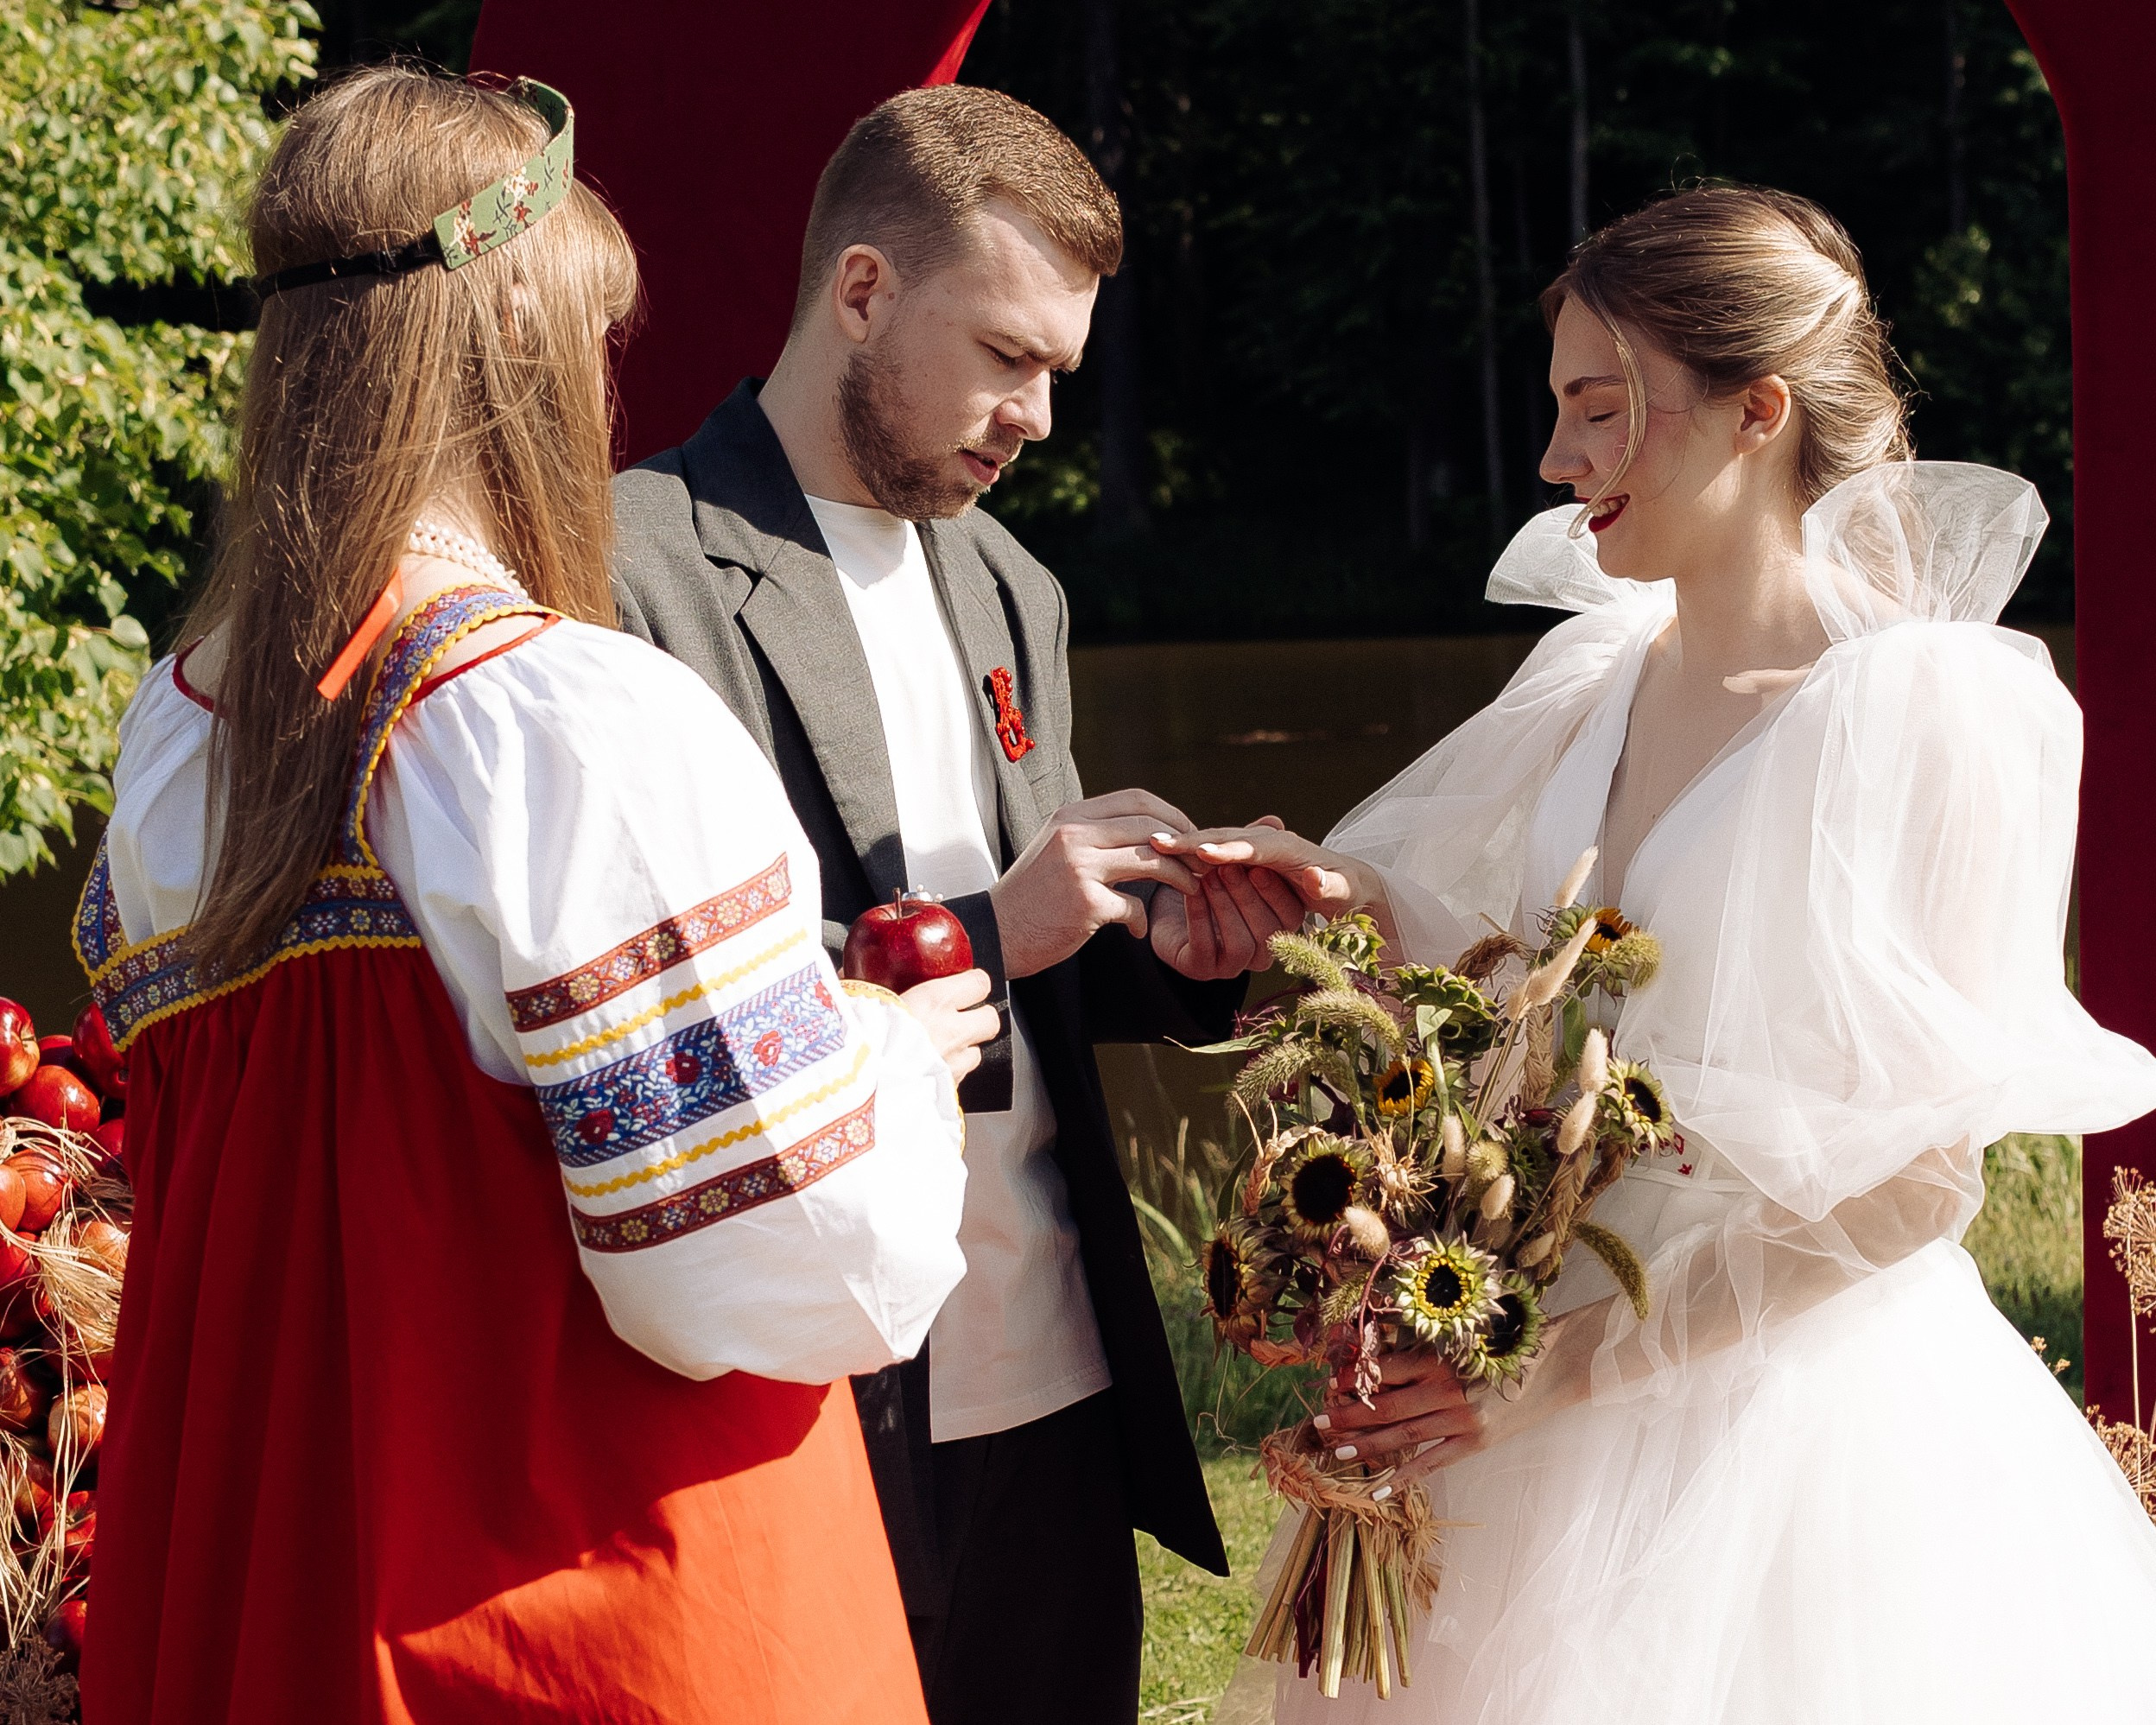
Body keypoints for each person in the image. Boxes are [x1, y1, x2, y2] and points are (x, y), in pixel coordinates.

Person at [1159, 187, 2156, 1722]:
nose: (1557, 462)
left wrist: (1558, 1370)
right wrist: (1325, 898)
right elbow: (1495, 970)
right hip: (1510, 1364)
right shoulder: (1595, 669)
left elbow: (1922, 1178)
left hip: (1790, 1431)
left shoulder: (1931, 709)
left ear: (1757, 411)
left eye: (1598, 410)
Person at [75, 67, 996, 1724]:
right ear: (515, 328)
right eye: (589, 333)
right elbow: (772, 1255)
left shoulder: (178, 741)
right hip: (589, 1624)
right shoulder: (561, 722)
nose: (598, 379)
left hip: (268, 1603)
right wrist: (895, 1071)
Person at [611, 84, 1302, 1725]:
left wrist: (1186, 957)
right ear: (861, 291)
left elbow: (1041, 961)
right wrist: (997, 928)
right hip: (807, 1401)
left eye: (1058, 369)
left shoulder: (1011, 581)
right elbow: (641, 1017)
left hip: (1052, 1371)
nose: (1040, 416)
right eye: (1007, 355)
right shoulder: (629, 561)